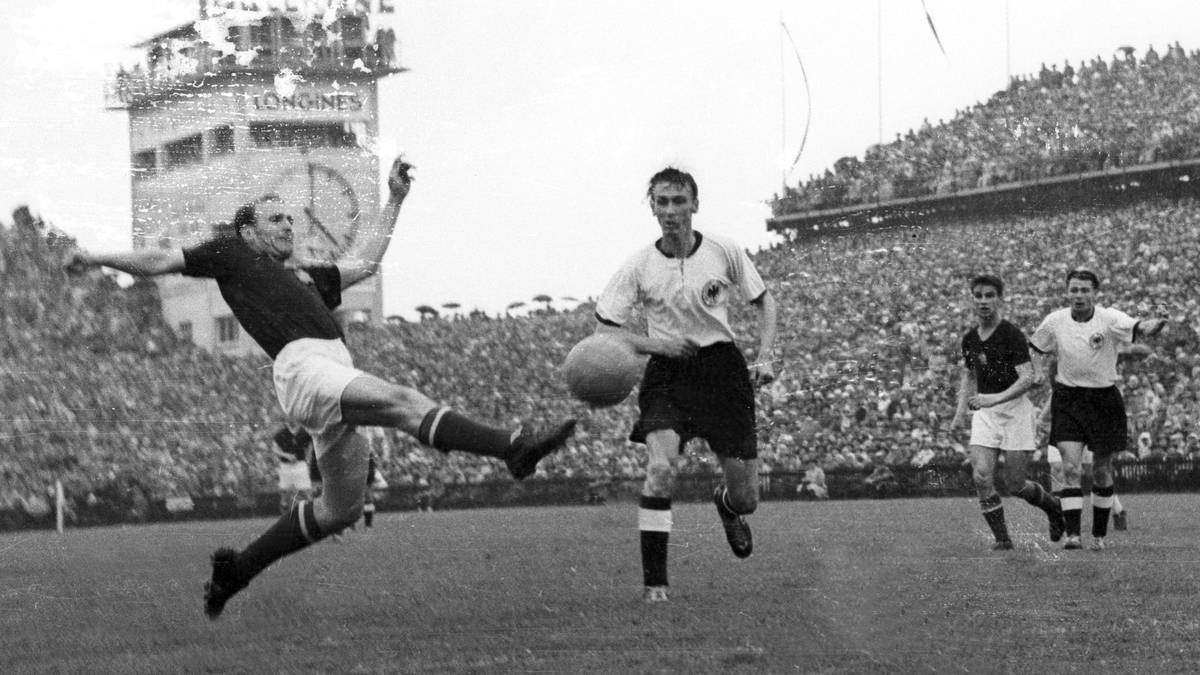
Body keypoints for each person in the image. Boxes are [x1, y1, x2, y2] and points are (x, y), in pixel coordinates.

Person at [67, 157, 577, 618]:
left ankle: (236, 571)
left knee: (341, 509)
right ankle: (512, 447)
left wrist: (395, 199)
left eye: (290, 217)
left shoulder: (308, 275)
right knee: (403, 402)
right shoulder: (231, 254)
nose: (287, 223)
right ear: (248, 232)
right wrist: (95, 258)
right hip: (304, 367)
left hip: (331, 370)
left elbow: (370, 262)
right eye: (275, 218)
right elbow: (161, 261)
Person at [592, 166, 778, 603]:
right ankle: (655, 584)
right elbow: (604, 330)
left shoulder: (723, 250)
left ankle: (728, 506)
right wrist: (656, 344)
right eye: (662, 202)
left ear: (695, 203)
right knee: (660, 468)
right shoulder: (639, 264)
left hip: (722, 372)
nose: (670, 210)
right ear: (652, 207)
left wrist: (765, 357)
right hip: (668, 374)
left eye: (679, 201)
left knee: (747, 497)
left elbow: (765, 302)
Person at [1029, 269, 1166, 550]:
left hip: (1104, 400)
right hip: (1068, 399)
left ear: (1094, 293)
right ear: (1067, 292)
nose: (1079, 295)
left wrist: (1158, 322)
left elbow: (1141, 327)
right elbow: (1035, 347)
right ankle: (1073, 535)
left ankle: (1099, 536)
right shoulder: (1055, 321)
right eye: (1074, 290)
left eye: (1084, 290)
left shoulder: (1110, 318)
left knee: (1103, 470)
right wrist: (1038, 371)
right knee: (1069, 467)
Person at [950, 275, 1063, 550]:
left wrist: (995, 398)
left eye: (990, 295)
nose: (984, 301)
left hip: (1015, 411)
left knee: (1014, 483)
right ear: (972, 299)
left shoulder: (1011, 334)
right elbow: (970, 376)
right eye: (978, 295)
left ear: (1000, 299)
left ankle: (1052, 506)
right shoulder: (970, 339)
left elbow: (1027, 378)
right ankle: (1003, 539)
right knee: (981, 476)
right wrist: (959, 412)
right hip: (986, 414)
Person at [273, 426, 314, 514]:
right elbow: (275, 449)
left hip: (300, 464)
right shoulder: (281, 433)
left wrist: (308, 458)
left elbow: (310, 444)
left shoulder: (304, 432)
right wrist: (286, 455)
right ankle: (284, 510)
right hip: (285, 465)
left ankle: (311, 512)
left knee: (306, 489)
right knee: (284, 490)